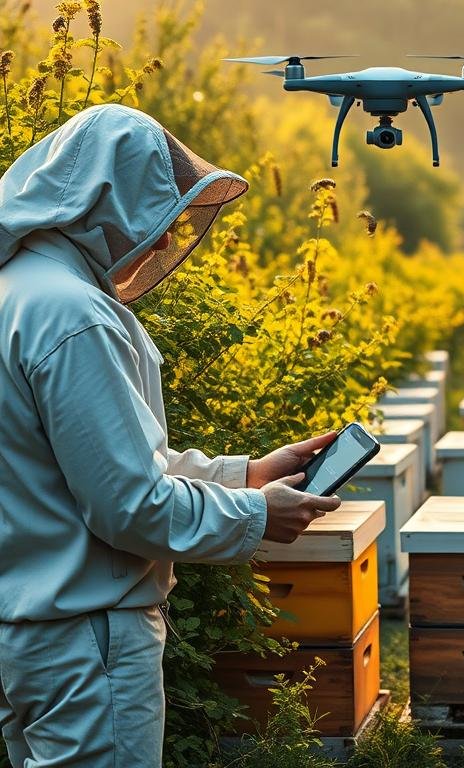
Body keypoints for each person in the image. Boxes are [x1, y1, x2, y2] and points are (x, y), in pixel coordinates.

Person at [0, 104, 342, 767]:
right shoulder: (74, 317)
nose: (161, 242)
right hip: (87, 638)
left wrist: (247, 474)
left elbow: (99, 467)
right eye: (152, 215)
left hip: (31, 632)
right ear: (108, 200)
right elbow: (128, 505)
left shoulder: (17, 293)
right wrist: (254, 515)